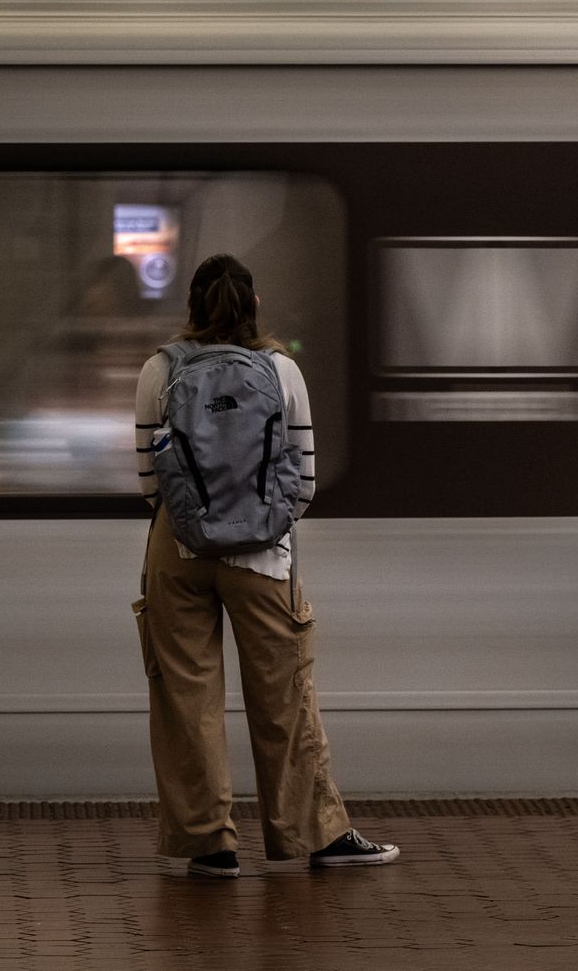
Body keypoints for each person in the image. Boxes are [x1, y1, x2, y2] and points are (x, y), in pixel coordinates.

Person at [134, 254, 398, 877]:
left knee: (187, 699)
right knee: (284, 697)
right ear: (253, 307)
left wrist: (197, 521)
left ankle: (210, 844)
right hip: (264, 555)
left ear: (192, 307)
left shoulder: (159, 370)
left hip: (178, 550)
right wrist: (256, 523)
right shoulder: (282, 371)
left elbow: (150, 483)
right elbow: (303, 482)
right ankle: (315, 835)